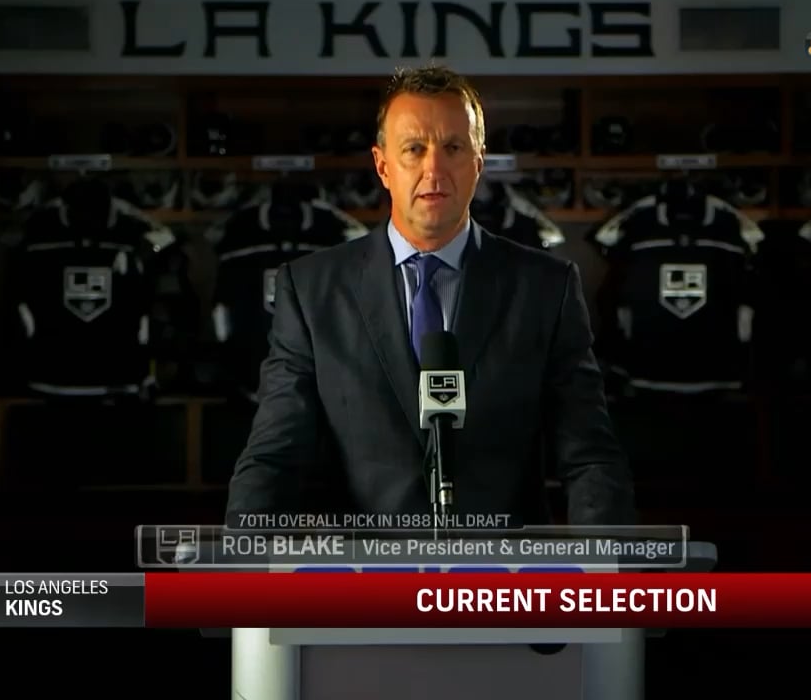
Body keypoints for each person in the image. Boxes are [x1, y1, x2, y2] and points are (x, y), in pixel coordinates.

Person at [224, 64, 636, 526]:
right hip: (363, 565)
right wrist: (242, 555)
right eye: (414, 149)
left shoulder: (545, 288)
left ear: (478, 162)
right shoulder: (311, 290)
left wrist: (605, 559)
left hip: (500, 564)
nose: (433, 169)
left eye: (453, 148)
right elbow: (275, 456)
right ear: (383, 165)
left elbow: (589, 455)